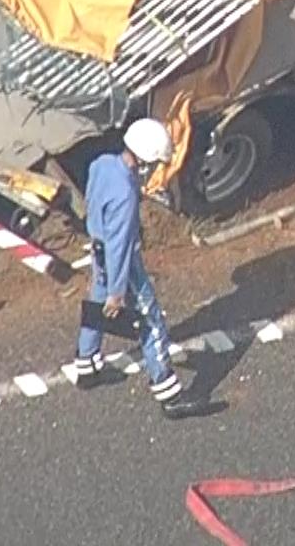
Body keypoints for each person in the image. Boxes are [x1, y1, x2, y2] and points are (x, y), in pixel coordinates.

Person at [70, 118, 207, 420]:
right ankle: (168, 392)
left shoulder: (102, 164)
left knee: (96, 303)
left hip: (97, 247)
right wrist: (119, 291)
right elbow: (120, 244)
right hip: (120, 260)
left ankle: (86, 366)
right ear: (144, 160)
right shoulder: (126, 195)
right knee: (150, 320)